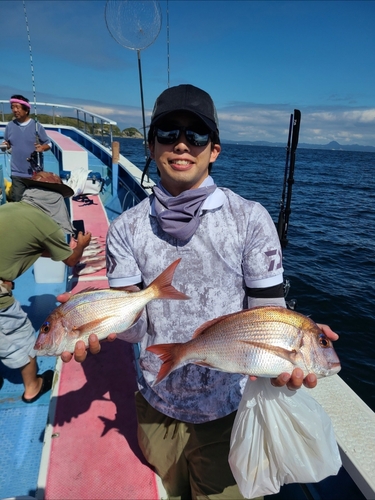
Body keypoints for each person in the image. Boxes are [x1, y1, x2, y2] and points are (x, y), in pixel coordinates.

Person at [61, 84, 338, 500]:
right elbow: (136, 331)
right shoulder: (127, 229)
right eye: (169, 132)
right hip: (155, 403)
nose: (182, 144)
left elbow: (266, 313)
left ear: (215, 150)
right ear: (151, 146)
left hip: (229, 410)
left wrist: (286, 348)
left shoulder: (249, 219)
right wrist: (91, 318)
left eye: (198, 134)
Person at [0, 171, 91, 403]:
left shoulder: (9, 208)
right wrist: (80, 246)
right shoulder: (44, 224)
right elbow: (71, 260)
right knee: (20, 337)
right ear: (54, 198)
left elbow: (30, 247)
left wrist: (60, 250)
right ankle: (33, 386)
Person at [1, 94, 51, 201]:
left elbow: (49, 144)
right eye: (12, 107)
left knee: (35, 201)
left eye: (17, 107)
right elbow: (7, 144)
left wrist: (42, 148)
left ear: (26, 110)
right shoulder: (10, 126)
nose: (14, 110)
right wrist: (6, 146)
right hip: (16, 173)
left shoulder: (37, 126)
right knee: (18, 200)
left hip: (35, 173)